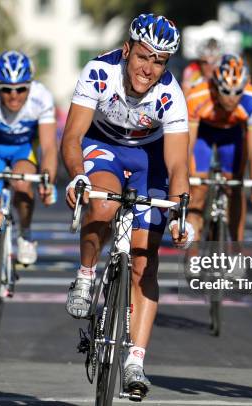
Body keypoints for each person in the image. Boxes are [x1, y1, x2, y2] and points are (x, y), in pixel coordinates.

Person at [61, 13, 192, 398]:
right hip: (103, 146)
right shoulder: (100, 72)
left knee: (144, 261)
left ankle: (135, 360)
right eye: (143, 57)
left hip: (148, 158)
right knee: (101, 205)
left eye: (159, 61)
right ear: (127, 50)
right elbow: (72, 136)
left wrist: (181, 210)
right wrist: (77, 175)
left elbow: (178, 163)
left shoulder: (171, 95)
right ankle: (85, 275)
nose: (148, 69)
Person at [0, 50, 57, 279]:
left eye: (21, 89)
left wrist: (47, 179)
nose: (13, 96)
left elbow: (49, 146)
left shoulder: (41, 97)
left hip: (23, 151)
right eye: (6, 89)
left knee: (22, 183)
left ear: (30, 86)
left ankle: (25, 233)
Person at [186, 53, 252, 244]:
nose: (231, 99)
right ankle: (194, 252)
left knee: (235, 186)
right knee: (197, 189)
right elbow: (187, 145)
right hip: (203, 134)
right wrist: (182, 180)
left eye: (237, 92)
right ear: (215, 85)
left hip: (232, 135)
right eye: (225, 92)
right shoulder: (197, 96)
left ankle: (236, 248)